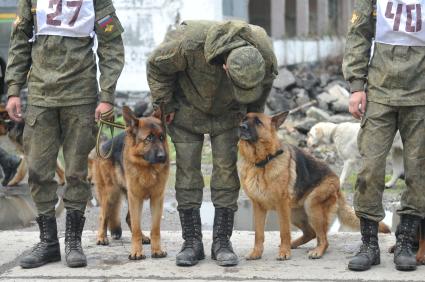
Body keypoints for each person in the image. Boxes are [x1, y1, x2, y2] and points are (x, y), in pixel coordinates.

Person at [147, 20, 277, 267]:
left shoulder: (264, 52)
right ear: (226, 66)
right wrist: (164, 103)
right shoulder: (187, 43)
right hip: (185, 109)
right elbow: (156, 65)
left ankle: (222, 242)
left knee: (226, 172)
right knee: (187, 171)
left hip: (230, 114)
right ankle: (192, 242)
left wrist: (252, 115)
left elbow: (264, 86)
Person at [5, 0, 124, 268]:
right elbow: (20, 38)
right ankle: (48, 242)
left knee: (76, 173)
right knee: (37, 170)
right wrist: (13, 88)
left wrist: (107, 96)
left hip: (80, 94)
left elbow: (111, 44)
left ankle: (73, 242)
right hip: (41, 95)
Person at [343, 0, 425, 272]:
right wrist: (356, 85)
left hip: (421, 93)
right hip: (379, 91)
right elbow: (359, 33)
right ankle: (369, 244)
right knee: (370, 168)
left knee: (418, 171)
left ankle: (405, 241)